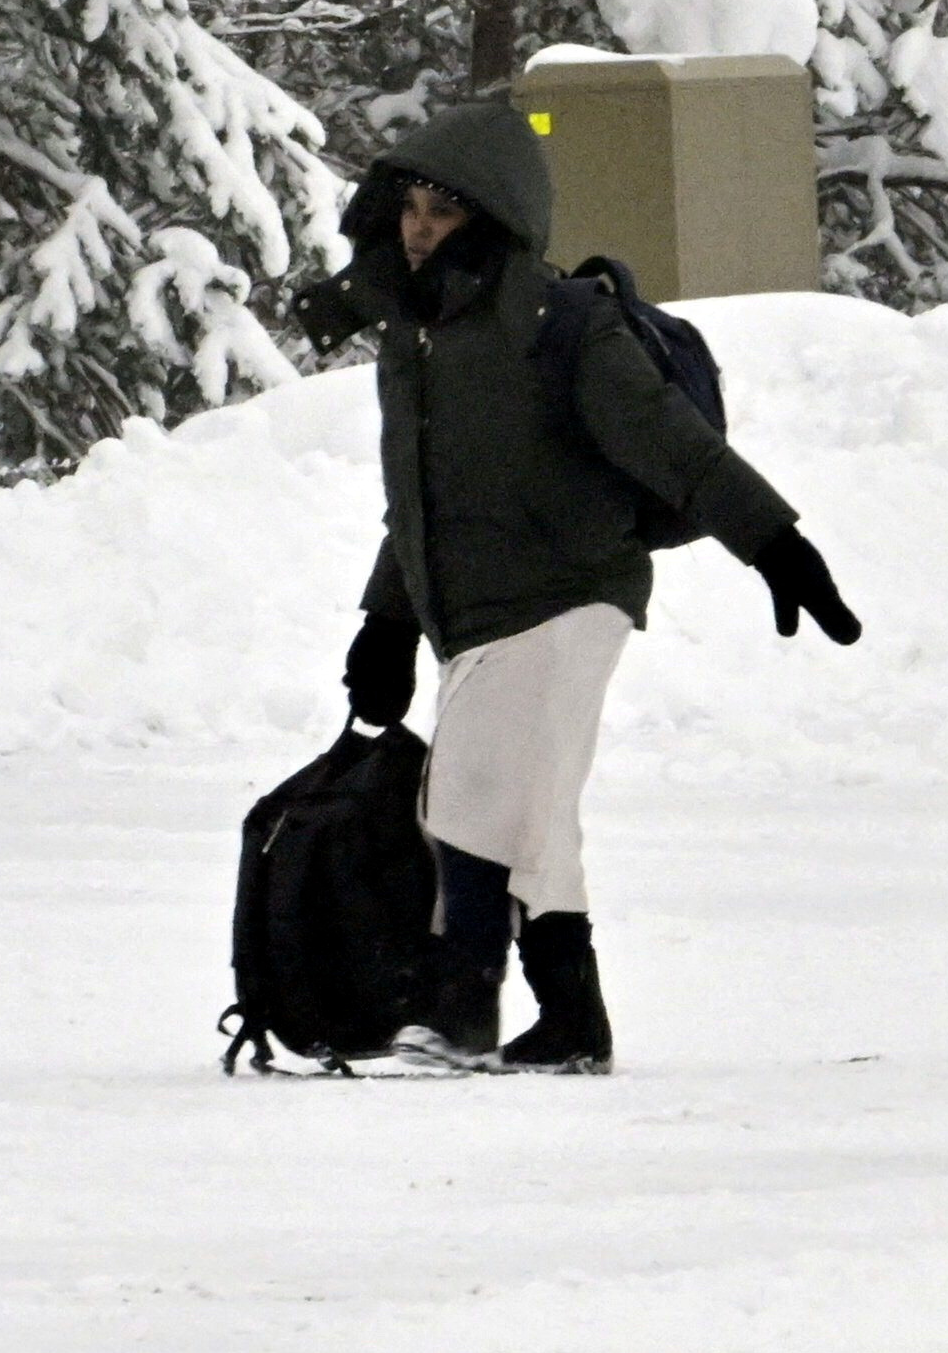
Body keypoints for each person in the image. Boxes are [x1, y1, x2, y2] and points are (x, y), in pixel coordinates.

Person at [289, 100, 861, 1075]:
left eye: (445, 210)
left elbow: (677, 448)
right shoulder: (415, 337)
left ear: (495, 217)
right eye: (410, 208)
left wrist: (777, 545)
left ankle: (457, 1013)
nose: (421, 227)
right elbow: (421, 501)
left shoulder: (562, 324)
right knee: (535, 817)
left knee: (469, 795)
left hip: (566, 588)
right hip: (469, 610)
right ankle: (572, 1023)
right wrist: (385, 623)